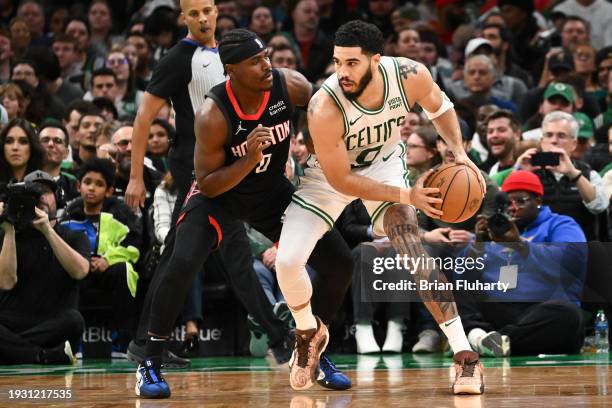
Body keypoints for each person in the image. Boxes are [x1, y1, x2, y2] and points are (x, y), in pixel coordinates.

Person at [134, 29, 353, 399]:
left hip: (271, 194)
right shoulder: (213, 114)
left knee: (341, 261)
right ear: (231, 70)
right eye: (256, 61)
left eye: (267, 55)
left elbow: (321, 109)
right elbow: (209, 182)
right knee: (181, 264)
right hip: (220, 197)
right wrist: (249, 159)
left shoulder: (290, 85)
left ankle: (312, 345)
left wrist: (311, 144)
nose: (267, 65)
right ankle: (149, 362)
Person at [274, 20, 486, 394]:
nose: (342, 72)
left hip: (384, 165)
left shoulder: (409, 75)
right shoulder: (324, 105)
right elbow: (341, 180)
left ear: (377, 59)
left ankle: (465, 357)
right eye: (337, 62)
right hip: (329, 176)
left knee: (413, 250)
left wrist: (458, 153)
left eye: (352, 63)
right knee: (288, 261)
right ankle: (308, 331)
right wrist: (408, 196)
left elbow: (440, 106)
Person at [124, 0, 303, 374]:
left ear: (217, 11)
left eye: (207, 10)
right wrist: (136, 176)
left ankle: (144, 343)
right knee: (235, 252)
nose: (202, 18)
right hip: (199, 168)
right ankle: (278, 338)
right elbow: (143, 117)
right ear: (183, 17)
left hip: (230, 160)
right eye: (194, 13)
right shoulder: (178, 58)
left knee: (177, 259)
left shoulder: (233, 55)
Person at [460, 171, 586, 356]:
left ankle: (483, 340)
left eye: (521, 201)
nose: (513, 208)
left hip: (541, 310)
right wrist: (478, 246)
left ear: (538, 201)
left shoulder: (561, 225)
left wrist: (520, 245)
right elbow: (464, 277)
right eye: (507, 204)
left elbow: (569, 262)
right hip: (499, 310)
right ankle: (488, 339)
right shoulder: (494, 230)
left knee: (569, 315)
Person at [0, 170, 89, 364]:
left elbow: (80, 271)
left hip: (53, 324)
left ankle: (13, 352)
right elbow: (6, 282)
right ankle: (42, 355)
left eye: (46, 191)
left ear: (58, 198)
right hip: (13, 321)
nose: (39, 196)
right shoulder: (9, 235)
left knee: (74, 321)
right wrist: (8, 230)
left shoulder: (73, 236)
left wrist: (47, 230)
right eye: (33, 192)